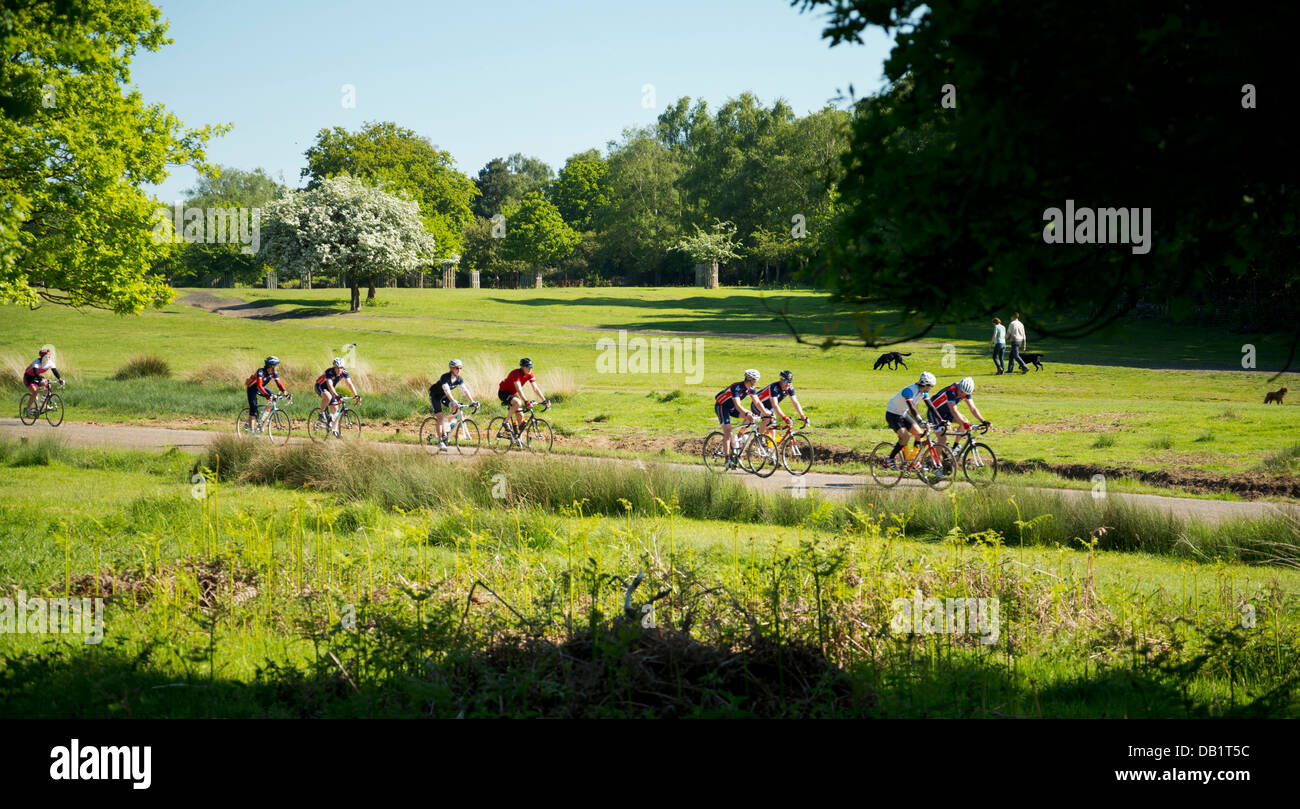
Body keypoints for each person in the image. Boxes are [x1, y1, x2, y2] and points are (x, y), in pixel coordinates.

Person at [715, 369, 771, 466]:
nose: (756, 382)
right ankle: (727, 459)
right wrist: (746, 413)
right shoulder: (736, 387)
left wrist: (765, 412)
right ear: (750, 380)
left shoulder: (751, 388)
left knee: (750, 416)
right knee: (727, 430)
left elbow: (757, 402)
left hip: (732, 407)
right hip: (722, 406)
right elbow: (737, 405)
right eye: (755, 380)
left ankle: (739, 436)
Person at [883, 371, 936, 470]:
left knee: (919, 434)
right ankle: (890, 459)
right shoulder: (909, 391)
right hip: (892, 414)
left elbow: (931, 407)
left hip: (902, 413)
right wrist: (920, 421)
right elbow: (911, 407)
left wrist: (941, 420)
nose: (930, 388)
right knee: (905, 437)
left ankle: (913, 460)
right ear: (925, 384)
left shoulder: (923, 393)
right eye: (930, 386)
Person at [926, 376, 990, 449]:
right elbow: (954, 411)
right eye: (961, 391)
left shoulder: (966, 391)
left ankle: (955, 448)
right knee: (942, 440)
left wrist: (983, 421)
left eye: (965, 393)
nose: (962, 394)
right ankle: (935, 460)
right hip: (935, 413)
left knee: (965, 421)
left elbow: (973, 408)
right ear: (959, 386)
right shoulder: (950, 391)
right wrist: (965, 424)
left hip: (947, 412)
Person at [430, 358, 478, 451]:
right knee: (440, 417)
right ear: (451, 368)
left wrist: (472, 401)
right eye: (457, 368)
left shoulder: (459, 379)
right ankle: (440, 442)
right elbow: (447, 391)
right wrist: (453, 401)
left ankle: (446, 426)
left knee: (456, 408)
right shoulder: (445, 377)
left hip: (444, 397)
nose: (459, 370)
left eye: (460, 368)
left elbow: (465, 390)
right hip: (435, 396)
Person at [497, 358, 547, 445]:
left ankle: (518, 439)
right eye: (528, 367)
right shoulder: (515, 373)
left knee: (520, 415)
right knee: (518, 403)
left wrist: (544, 400)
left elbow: (535, 388)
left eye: (531, 367)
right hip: (503, 392)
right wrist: (526, 401)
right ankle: (505, 422)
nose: (530, 369)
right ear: (522, 367)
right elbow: (519, 390)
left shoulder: (530, 374)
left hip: (513, 394)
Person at [751, 369, 808, 437]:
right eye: (786, 381)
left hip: (769, 407)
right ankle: (759, 439)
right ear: (781, 380)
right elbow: (775, 405)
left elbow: (795, 402)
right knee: (768, 418)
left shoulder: (789, 388)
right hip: (757, 405)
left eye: (790, 382)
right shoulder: (774, 387)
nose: (788, 384)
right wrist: (785, 418)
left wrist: (802, 415)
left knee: (773, 424)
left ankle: (771, 443)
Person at [315, 357, 360, 433]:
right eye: (337, 368)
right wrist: (336, 395)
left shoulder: (344, 372)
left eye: (341, 368)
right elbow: (330, 385)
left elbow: (349, 383)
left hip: (330, 390)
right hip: (320, 386)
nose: (339, 370)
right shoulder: (329, 372)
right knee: (328, 397)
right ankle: (321, 414)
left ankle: (334, 430)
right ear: (334, 367)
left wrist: (356, 395)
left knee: (336, 410)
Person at [245, 356, 289, 431]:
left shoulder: (273, 373)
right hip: (252, 388)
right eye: (277, 365)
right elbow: (259, 385)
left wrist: (286, 393)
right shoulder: (261, 372)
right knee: (253, 409)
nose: (278, 367)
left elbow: (279, 384)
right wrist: (266, 395)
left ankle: (262, 419)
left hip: (261, 388)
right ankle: (251, 432)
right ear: (271, 366)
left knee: (272, 396)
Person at [22, 348, 63, 414]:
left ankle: (44, 404)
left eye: (49, 356)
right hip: (29, 378)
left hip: (38, 377)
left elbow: (55, 371)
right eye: (47, 356)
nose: (48, 358)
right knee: (35, 392)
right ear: (42, 357)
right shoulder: (36, 362)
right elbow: (36, 373)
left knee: (48, 386)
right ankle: (28, 409)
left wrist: (60, 379)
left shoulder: (50, 362)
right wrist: (41, 380)